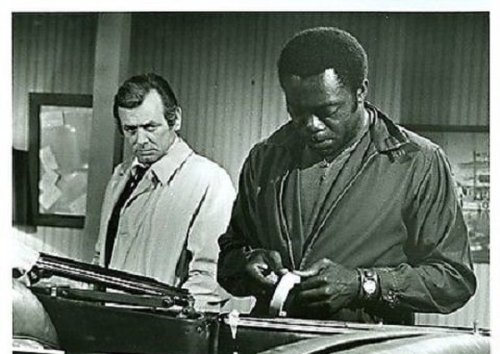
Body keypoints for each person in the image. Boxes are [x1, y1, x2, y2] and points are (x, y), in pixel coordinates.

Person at [217, 27, 477, 324]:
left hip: (365, 348)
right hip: (274, 343)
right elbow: (229, 258)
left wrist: (363, 285)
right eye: (296, 110)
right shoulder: (264, 159)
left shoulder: (418, 162)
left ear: (361, 91)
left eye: (327, 110)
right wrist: (245, 265)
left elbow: (454, 279)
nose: (311, 124)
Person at [94, 73, 235, 311]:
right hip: (108, 320)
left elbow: (210, 280)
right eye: (130, 130)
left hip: (161, 326)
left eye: (150, 127)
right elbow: (101, 260)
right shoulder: (120, 176)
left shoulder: (209, 180)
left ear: (175, 119)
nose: (140, 140)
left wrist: (166, 323)